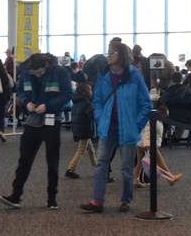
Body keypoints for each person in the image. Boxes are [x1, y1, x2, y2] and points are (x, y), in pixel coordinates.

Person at [79, 41, 152, 214]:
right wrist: (99, 117)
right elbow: (97, 101)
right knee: (101, 163)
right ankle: (97, 201)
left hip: (128, 127)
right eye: (108, 51)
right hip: (108, 126)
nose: (109, 55)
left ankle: (126, 200)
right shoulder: (103, 75)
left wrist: (136, 126)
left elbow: (146, 105)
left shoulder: (134, 76)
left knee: (126, 168)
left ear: (122, 55)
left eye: (113, 52)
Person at [0, 52, 73, 210]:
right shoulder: (26, 71)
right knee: (24, 160)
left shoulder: (60, 72)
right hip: (32, 121)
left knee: (52, 162)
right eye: (34, 72)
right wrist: (27, 104)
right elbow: (21, 90)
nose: (37, 75)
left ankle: (52, 198)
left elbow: (67, 94)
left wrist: (48, 105)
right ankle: (16, 195)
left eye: (39, 72)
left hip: (52, 120)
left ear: (46, 64)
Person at [135, 104, 182, 186]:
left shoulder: (152, 118)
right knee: (160, 162)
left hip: (140, 143)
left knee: (139, 163)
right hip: (148, 145)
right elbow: (147, 132)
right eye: (164, 116)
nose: (165, 118)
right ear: (160, 113)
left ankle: (135, 180)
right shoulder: (153, 121)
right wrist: (147, 145)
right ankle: (171, 178)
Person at [64, 82, 96, 179]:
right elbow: (93, 115)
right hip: (85, 130)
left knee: (91, 150)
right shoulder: (87, 104)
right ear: (83, 92)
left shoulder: (76, 104)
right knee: (81, 150)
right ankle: (70, 169)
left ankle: (97, 167)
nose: (91, 91)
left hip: (79, 130)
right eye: (89, 89)